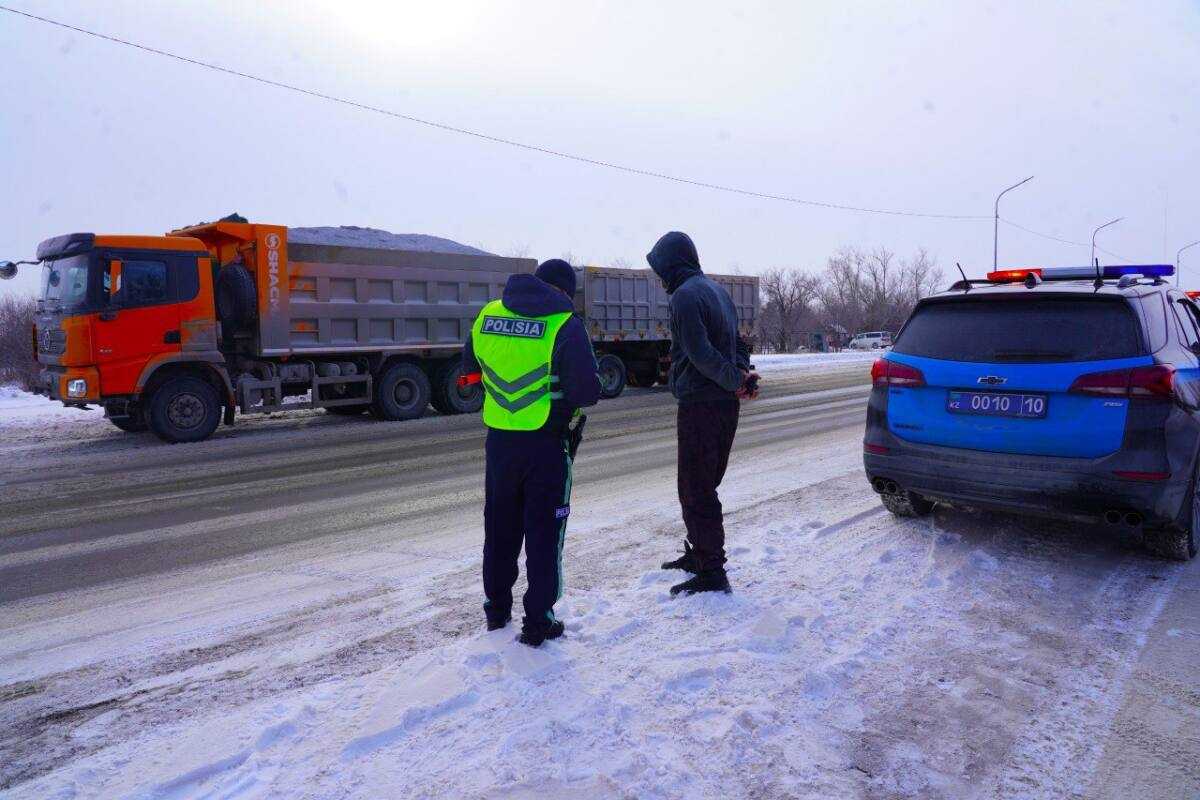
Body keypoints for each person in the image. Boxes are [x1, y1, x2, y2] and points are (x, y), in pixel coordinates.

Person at [462, 259, 601, 646]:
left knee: (499, 531)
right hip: (546, 444)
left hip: (500, 444)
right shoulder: (564, 323)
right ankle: (538, 621)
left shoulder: (487, 315)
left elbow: (467, 377)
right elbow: (587, 391)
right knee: (544, 535)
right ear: (563, 291)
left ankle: (496, 612)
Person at [647, 231, 759, 596]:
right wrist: (741, 378)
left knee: (696, 490)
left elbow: (700, 354)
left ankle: (712, 569)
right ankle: (699, 553)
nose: (660, 278)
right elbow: (739, 345)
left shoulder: (684, 296)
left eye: (660, 269)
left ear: (673, 264)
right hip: (723, 406)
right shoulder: (717, 292)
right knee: (702, 485)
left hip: (701, 403)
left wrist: (733, 381)